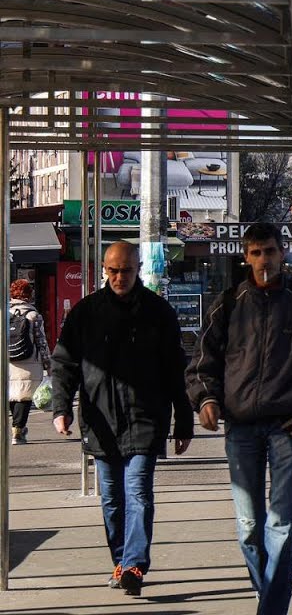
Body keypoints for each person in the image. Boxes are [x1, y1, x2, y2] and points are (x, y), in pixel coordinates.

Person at [186, 222, 292, 615]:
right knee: (249, 528)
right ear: (246, 256)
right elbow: (200, 365)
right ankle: (269, 595)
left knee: (281, 524)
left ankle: (272, 609)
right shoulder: (227, 304)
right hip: (240, 427)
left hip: (286, 428)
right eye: (257, 252)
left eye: (271, 251)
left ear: (283, 253)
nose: (265, 260)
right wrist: (206, 400)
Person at [49, 242, 193, 597]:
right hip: (101, 421)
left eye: (126, 270)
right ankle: (121, 559)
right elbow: (64, 363)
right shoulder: (85, 313)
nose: (119, 277)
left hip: (146, 419)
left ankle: (133, 565)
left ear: (138, 268)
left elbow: (176, 370)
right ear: (104, 270)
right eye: (112, 271)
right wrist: (61, 407)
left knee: (138, 493)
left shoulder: (158, 312)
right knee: (111, 500)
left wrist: (184, 420)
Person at [8, 279, 51, 445]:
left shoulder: (4, 313)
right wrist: (48, 364)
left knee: (12, 394)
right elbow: (41, 341)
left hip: (7, 361)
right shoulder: (33, 315)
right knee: (24, 396)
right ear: (29, 295)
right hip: (29, 360)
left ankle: (16, 426)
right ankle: (18, 429)